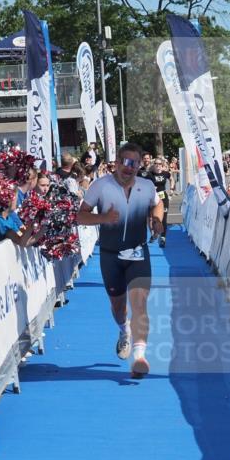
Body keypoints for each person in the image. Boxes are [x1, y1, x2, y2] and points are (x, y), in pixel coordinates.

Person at [77, 142, 164, 377]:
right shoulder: (100, 186)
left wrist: (157, 221)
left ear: (139, 165)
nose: (129, 167)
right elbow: (80, 216)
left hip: (138, 253)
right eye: (125, 162)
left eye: (134, 163)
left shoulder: (147, 186)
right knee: (118, 306)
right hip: (110, 255)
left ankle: (139, 357)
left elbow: (158, 204)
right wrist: (103, 218)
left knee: (139, 304)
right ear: (116, 164)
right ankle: (124, 330)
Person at [146, 157, 171, 248]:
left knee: (163, 218)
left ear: (162, 165)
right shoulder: (149, 174)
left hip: (163, 198)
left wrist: (171, 189)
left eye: (159, 164)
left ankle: (163, 238)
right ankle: (155, 234)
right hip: (153, 198)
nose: (158, 165)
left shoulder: (165, 173)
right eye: (156, 163)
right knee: (153, 218)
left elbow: (171, 178)